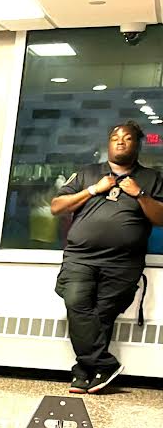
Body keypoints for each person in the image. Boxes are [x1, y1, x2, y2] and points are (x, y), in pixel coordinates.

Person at [49, 121, 163, 394]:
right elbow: (56, 207)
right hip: (81, 257)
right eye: (115, 137)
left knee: (100, 317)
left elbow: (160, 218)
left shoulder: (151, 178)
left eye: (127, 138)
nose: (120, 141)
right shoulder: (88, 174)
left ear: (137, 145)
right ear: (108, 144)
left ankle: (85, 372)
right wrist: (93, 189)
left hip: (123, 263)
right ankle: (104, 364)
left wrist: (140, 194)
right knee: (76, 302)